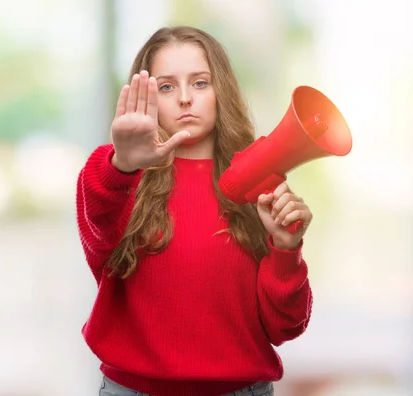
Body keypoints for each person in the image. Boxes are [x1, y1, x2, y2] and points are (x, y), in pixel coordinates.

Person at [75, 26, 313, 396]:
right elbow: (98, 225)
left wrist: (286, 248)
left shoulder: (258, 184)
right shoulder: (115, 175)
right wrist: (122, 163)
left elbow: (287, 327)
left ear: (221, 90)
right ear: (146, 98)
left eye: (200, 83)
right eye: (167, 87)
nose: (185, 98)